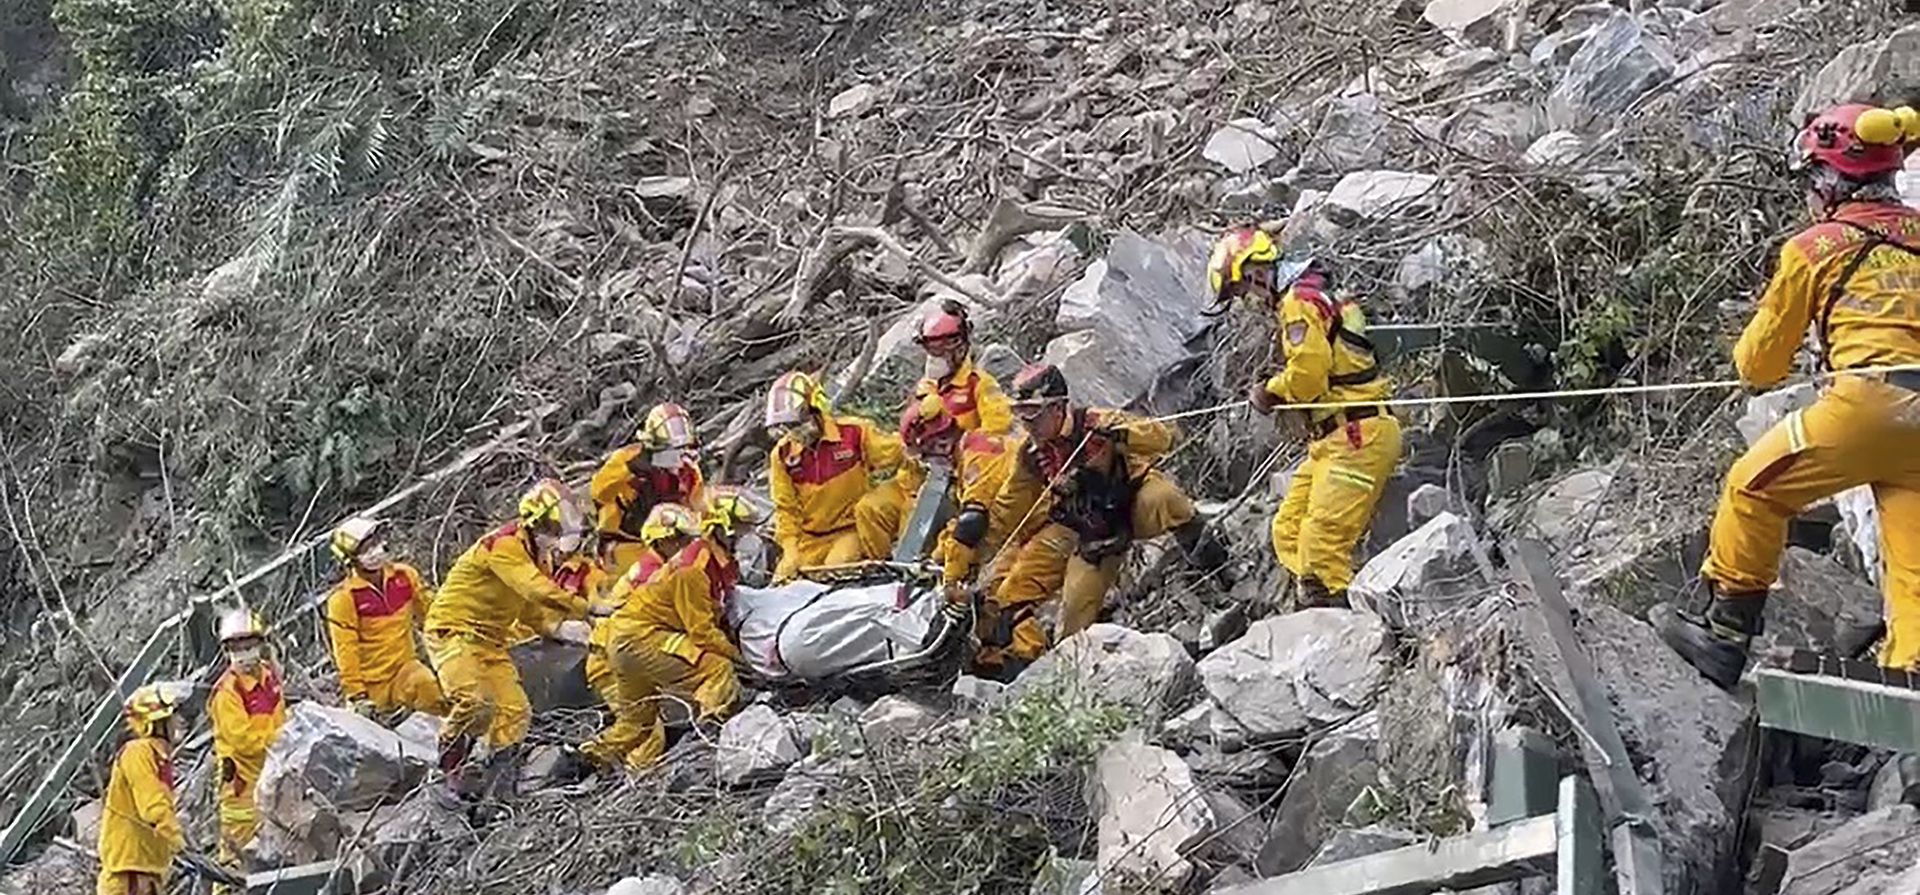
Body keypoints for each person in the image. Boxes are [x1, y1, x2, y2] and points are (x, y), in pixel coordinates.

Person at [1659, 103, 1920, 689]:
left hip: (1865, 407)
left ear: (1827, 185)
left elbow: (1759, 365)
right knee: (1915, 563)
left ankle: (1723, 633)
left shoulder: (1813, 248)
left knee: (1753, 488)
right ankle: (1912, 683)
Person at [980, 363, 1223, 671]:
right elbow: (1008, 508)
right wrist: (972, 546)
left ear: (1057, 408)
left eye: (1033, 412)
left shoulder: (1098, 422)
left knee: (1166, 499)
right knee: (1072, 621)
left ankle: (1214, 564)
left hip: (1132, 504)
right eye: (1021, 413)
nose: (1026, 423)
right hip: (1092, 534)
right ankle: (1071, 674)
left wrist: (1125, 435)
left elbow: (1164, 438)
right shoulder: (1030, 457)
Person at [1207, 226, 1403, 609]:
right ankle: (1318, 600)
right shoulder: (1310, 292)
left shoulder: (1298, 302)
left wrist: (1271, 391)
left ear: (1256, 272)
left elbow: (1310, 377)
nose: (1248, 299)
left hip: (1356, 434)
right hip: (1333, 438)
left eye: (1243, 289)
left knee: (1321, 547)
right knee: (1289, 530)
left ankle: (1341, 623)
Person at [425, 478, 591, 797]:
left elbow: (527, 606)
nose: (556, 538)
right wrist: (587, 607)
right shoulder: (503, 546)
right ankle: (448, 765)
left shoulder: (538, 556)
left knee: (515, 712)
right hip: (454, 632)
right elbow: (533, 588)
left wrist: (555, 628)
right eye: (551, 529)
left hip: (490, 640)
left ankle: (500, 787)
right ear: (535, 525)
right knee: (473, 701)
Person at [596, 488, 761, 770]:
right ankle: (709, 738)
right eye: (740, 528)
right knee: (716, 669)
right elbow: (702, 633)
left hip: (625, 642)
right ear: (721, 527)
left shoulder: (714, 560)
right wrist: (744, 660)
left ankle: (583, 759)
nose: (746, 535)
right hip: (642, 638)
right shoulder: (693, 569)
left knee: (638, 722)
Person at [577, 501, 701, 771]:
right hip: (609, 662)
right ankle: (629, 787)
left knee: (641, 726)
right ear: (661, 542)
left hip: (629, 655)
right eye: (679, 540)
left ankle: (597, 762)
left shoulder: (663, 569)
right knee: (645, 733)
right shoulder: (652, 576)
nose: (686, 546)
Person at [854, 386, 1016, 576]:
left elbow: (972, 522)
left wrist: (950, 574)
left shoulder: (978, 459)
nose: (927, 463)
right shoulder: (968, 453)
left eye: (926, 456)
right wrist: (938, 555)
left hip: (1028, 526)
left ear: (942, 444)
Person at [765, 371, 903, 580]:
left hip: (848, 531)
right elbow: (786, 509)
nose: (796, 432)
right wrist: (790, 549)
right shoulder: (783, 455)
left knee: (836, 571)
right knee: (785, 583)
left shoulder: (853, 433)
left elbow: (895, 451)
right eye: (789, 427)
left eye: (799, 423)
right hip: (809, 540)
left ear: (815, 410)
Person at [324, 517, 446, 719]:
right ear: (350, 558)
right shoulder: (344, 599)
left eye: (375, 544)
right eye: (365, 549)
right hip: (372, 688)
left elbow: (432, 613)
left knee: (428, 689)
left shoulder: (405, 576)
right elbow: (346, 650)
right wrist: (356, 695)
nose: (374, 552)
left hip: (405, 672)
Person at [207, 610, 286, 872]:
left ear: (260, 646)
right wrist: (280, 741)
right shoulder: (227, 691)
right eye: (236, 650)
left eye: (248, 647)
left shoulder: (268, 677)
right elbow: (243, 741)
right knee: (235, 851)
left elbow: (279, 714)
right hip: (240, 781)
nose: (243, 655)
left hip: (271, 770)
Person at [590, 403, 704, 577]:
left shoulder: (689, 473)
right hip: (626, 544)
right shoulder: (627, 460)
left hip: (670, 544)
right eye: (671, 450)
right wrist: (630, 470)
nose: (678, 456)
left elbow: (698, 510)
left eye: (683, 449)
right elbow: (599, 492)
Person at [96, 683, 188, 895]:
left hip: (146, 874)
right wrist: (179, 841)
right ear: (156, 724)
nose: (179, 721)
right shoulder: (138, 753)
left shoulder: (159, 758)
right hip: (129, 878)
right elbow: (152, 807)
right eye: (172, 716)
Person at [913, 300, 1014, 435]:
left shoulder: (979, 384)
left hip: (970, 453)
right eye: (932, 348)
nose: (937, 356)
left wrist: (963, 445)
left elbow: (998, 429)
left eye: (945, 347)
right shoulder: (925, 388)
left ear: (961, 346)